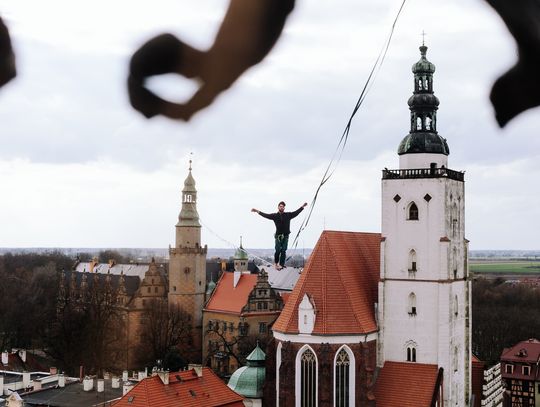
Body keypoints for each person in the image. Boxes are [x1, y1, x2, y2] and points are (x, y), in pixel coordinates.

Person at [252, 201, 307, 270]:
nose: (281, 207)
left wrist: (302, 207)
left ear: (284, 208)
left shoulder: (288, 215)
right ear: (278, 207)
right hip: (278, 236)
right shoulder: (274, 216)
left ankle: (281, 264)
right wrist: (257, 211)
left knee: (283, 250)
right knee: (278, 250)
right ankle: (276, 263)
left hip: (286, 236)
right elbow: (266, 215)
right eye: (280, 206)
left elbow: (296, 213)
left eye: (283, 206)